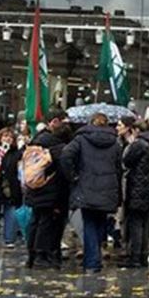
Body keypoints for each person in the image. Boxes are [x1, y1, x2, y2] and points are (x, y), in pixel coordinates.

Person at [60, 112, 123, 274]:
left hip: (86, 185)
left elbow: (66, 155)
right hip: (108, 186)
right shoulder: (115, 142)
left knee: (88, 223)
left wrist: (73, 176)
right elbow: (118, 167)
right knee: (101, 221)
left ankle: (92, 261)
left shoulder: (81, 139)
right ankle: (96, 255)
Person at [23, 115, 71, 269]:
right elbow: (64, 173)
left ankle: (31, 255)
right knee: (47, 223)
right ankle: (42, 255)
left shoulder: (37, 141)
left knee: (35, 221)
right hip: (51, 191)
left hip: (34, 187)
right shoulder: (59, 149)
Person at [120, 117, 149, 269]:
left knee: (135, 223)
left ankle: (135, 256)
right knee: (145, 223)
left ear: (137, 130)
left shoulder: (140, 144)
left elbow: (126, 160)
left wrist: (130, 144)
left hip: (137, 188)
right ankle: (143, 254)